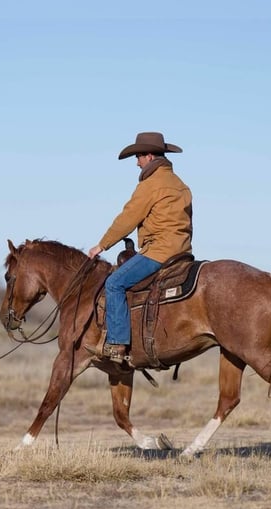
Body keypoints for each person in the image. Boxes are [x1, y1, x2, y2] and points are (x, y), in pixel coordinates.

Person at [86, 132, 193, 363]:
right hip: (183, 252)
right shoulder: (180, 185)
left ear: (149, 156)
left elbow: (128, 218)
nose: (136, 163)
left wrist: (101, 245)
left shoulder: (150, 185)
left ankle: (117, 344)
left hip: (159, 252)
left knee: (114, 283)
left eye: (138, 157)